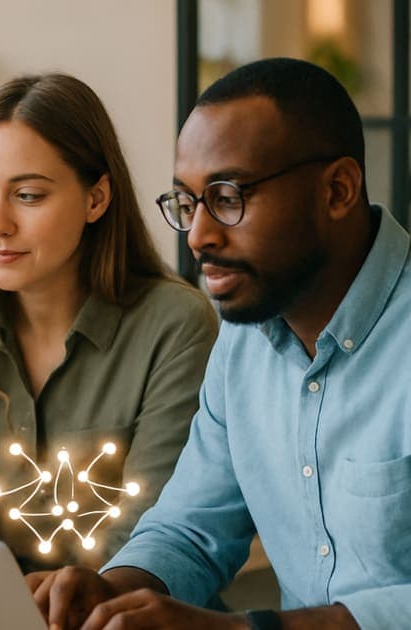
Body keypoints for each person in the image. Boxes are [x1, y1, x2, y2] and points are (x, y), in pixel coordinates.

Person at [31, 57, 409, 630]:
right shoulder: (243, 341)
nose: (199, 236)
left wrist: (246, 629)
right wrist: (109, 591)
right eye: (187, 204)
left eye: (229, 197)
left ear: (337, 190)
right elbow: (190, 530)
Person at [0, 73, 218, 575]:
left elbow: (153, 535)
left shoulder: (176, 325)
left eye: (28, 195)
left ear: (97, 199)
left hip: (125, 606)